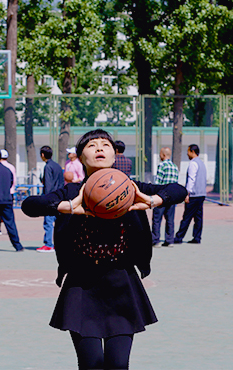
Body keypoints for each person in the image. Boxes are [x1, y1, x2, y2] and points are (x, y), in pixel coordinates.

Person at [22, 129, 187, 370]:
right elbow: (29, 205)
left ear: (114, 155)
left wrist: (152, 200)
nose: (99, 148)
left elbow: (178, 190)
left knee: (118, 364)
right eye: (91, 145)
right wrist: (68, 207)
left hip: (121, 282)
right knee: (91, 364)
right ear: (80, 157)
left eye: (105, 145)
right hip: (81, 284)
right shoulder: (73, 192)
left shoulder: (129, 188)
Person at [174, 144, 207, 244]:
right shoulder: (202, 163)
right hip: (201, 194)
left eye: (188, 151)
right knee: (198, 217)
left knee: (187, 217)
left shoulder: (193, 163)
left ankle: (179, 237)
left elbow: (191, 179)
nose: (187, 154)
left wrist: (187, 193)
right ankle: (197, 237)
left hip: (194, 194)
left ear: (192, 152)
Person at [151, 147, 180, 247]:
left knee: (157, 219)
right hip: (172, 197)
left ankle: (155, 240)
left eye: (160, 154)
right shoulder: (175, 166)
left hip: (162, 196)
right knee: (170, 219)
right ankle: (169, 240)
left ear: (163, 155)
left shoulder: (162, 165)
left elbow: (158, 182)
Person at [37, 145, 63, 253]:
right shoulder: (57, 166)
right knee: (59, 222)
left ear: (43, 155)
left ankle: (48, 244)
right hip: (59, 197)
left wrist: (46, 199)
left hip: (51, 198)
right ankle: (59, 243)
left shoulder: (47, 167)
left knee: (48, 222)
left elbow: (48, 184)